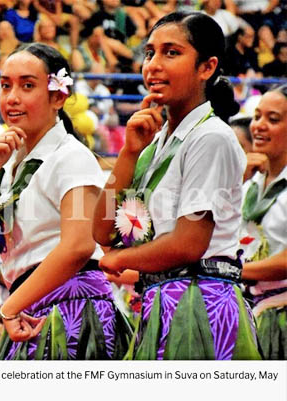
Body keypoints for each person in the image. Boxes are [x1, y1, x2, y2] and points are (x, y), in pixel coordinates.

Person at [93, 12, 260, 360]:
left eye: (171, 52)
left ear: (206, 67)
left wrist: (122, 258)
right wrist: (128, 152)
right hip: (166, 298)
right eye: (150, 53)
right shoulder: (156, 143)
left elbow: (189, 242)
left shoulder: (210, 137)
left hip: (201, 304)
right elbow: (102, 229)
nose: (153, 64)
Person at [0, 43, 131, 360]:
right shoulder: (8, 168)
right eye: (5, 86)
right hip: (28, 305)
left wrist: (11, 305)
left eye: (27, 85)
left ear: (57, 97)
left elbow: (78, 245)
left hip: (73, 307)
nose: (11, 98)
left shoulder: (71, 156)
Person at [239, 86, 287, 360]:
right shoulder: (250, 188)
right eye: (257, 117)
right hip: (251, 313)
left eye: (273, 119)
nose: (259, 126)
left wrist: (237, 270)